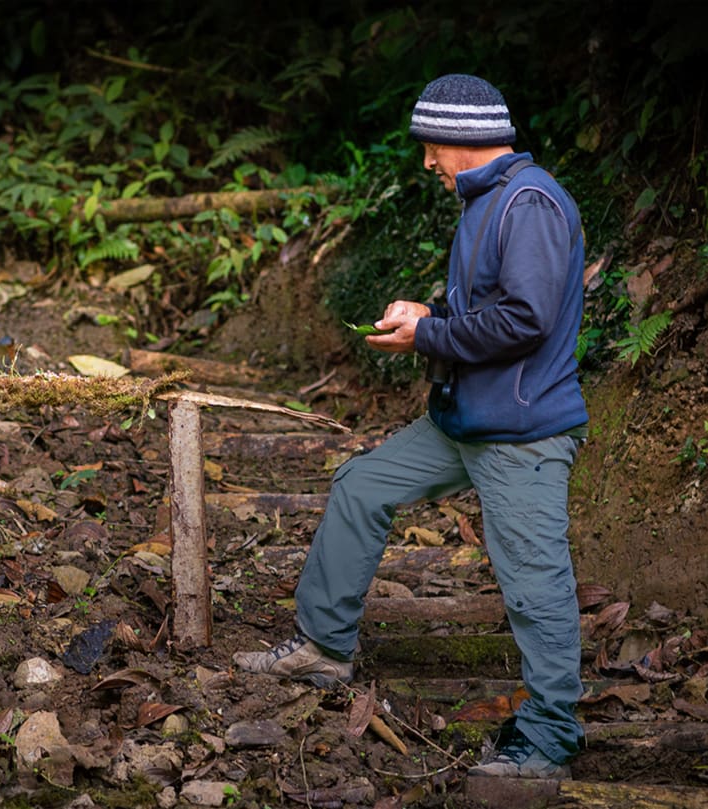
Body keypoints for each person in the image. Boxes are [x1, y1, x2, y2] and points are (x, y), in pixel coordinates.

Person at [233, 74, 589, 780]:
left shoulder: (531, 202)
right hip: (467, 420)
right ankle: (325, 646)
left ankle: (549, 734)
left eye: (430, 145)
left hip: (520, 432)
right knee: (362, 484)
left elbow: (527, 318)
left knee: (533, 577)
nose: (427, 161)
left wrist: (427, 333)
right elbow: (486, 305)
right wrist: (425, 309)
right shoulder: (488, 200)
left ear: (460, 139)